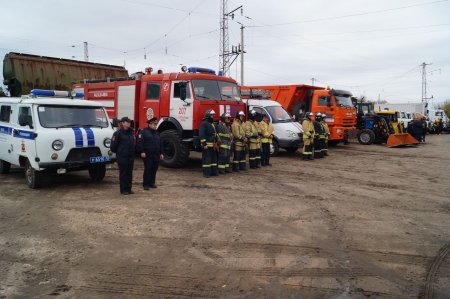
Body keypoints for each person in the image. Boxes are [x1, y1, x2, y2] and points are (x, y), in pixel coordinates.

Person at [136, 117, 164, 190]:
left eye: (156, 124)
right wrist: (142, 151)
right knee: (148, 169)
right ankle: (146, 184)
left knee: (154, 169)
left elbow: (159, 144)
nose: (155, 126)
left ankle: (152, 183)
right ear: (150, 124)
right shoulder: (144, 132)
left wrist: (161, 153)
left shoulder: (157, 133)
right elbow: (140, 142)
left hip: (156, 154)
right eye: (154, 124)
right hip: (147, 154)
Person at [111, 116, 135, 195]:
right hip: (122, 157)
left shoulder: (131, 132)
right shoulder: (118, 133)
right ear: (123, 123)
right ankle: (124, 189)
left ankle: (129, 188)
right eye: (127, 122)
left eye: (129, 122)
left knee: (129, 173)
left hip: (130, 156)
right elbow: (113, 146)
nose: (129, 123)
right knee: (123, 173)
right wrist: (120, 153)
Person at [199, 109, 218, 177]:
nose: (213, 116)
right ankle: (206, 173)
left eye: (213, 115)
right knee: (207, 160)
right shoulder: (204, 123)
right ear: (208, 115)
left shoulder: (212, 124)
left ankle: (213, 172)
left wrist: (216, 142)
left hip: (212, 145)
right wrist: (204, 144)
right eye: (211, 115)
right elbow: (201, 134)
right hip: (207, 145)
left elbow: (214, 134)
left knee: (213, 159)